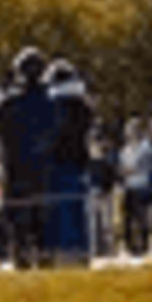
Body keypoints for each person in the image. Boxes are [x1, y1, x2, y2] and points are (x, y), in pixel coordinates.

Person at [0, 51, 57, 271]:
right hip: (44, 167)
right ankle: (44, 257)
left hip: (15, 167)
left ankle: (20, 259)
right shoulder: (51, 102)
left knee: (17, 218)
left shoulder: (9, 102)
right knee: (42, 219)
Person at [41, 65, 99, 267]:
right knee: (80, 211)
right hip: (80, 163)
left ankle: (65, 254)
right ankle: (83, 252)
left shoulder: (52, 106)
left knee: (61, 212)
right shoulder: (84, 106)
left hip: (57, 164)